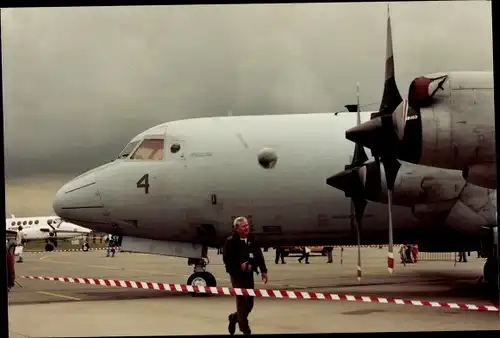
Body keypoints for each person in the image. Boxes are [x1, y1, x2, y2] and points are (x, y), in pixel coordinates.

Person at [223, 216, 268, 336]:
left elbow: (259, 255)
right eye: (244, 226)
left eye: (247, 225)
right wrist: (239, 267)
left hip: (249, 275)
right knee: (242, 303)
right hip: (237, 277)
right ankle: (246, 330)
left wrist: (263, 270)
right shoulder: (231, 241)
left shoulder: (252, 239)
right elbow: (227, 260)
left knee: (250, 304)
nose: (247, 228)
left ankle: (234, 318)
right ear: (237, 228)